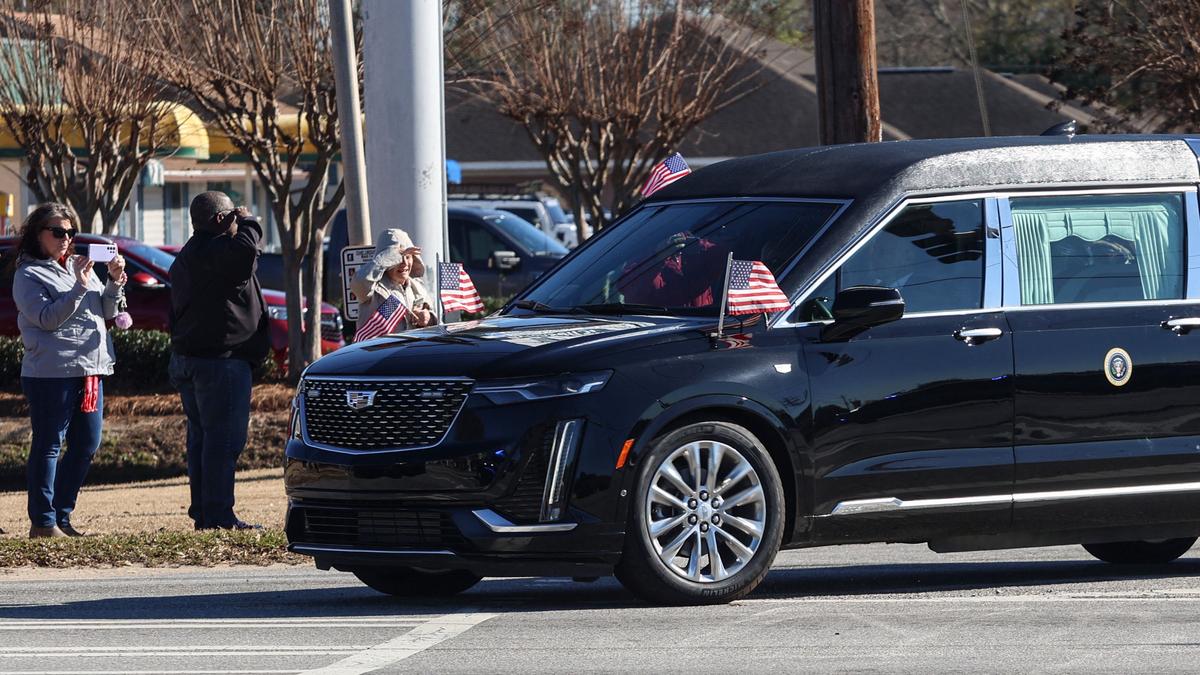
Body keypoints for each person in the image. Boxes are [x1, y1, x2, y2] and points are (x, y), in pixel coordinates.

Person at [12, 202, 126, 538]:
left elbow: (104, 311)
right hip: (51, 372)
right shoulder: (28, 274)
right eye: (58, 232)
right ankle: (43, 522)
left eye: (70, 232)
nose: (66, 238)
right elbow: (46, 319)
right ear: (38, 234)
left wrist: (114, 282)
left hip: (90, 368)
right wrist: (78, 285)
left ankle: (62, 516)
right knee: (49, 444)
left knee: (87, 444)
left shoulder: (78, 267)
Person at [168, 191, 268, 530]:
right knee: (223, 441)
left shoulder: (190, 254)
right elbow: (247, 250)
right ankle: (219, 515)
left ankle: (205, 513)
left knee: (203, 441)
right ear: (221, 220)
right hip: (219, 364)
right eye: (232, 217)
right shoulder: (218, 252)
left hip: (192, 360)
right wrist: (250, 219)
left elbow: (243, 258)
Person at [349, 228, 438, 332]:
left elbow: (435, 321)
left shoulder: (417, 287)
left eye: (408, 257)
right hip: (382, 348)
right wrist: (392, 255)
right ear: (387, 259)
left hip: (413, 348)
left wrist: (429, 318)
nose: (404, 263)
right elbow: (359, 283)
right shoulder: (373, 288)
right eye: (399, 258)